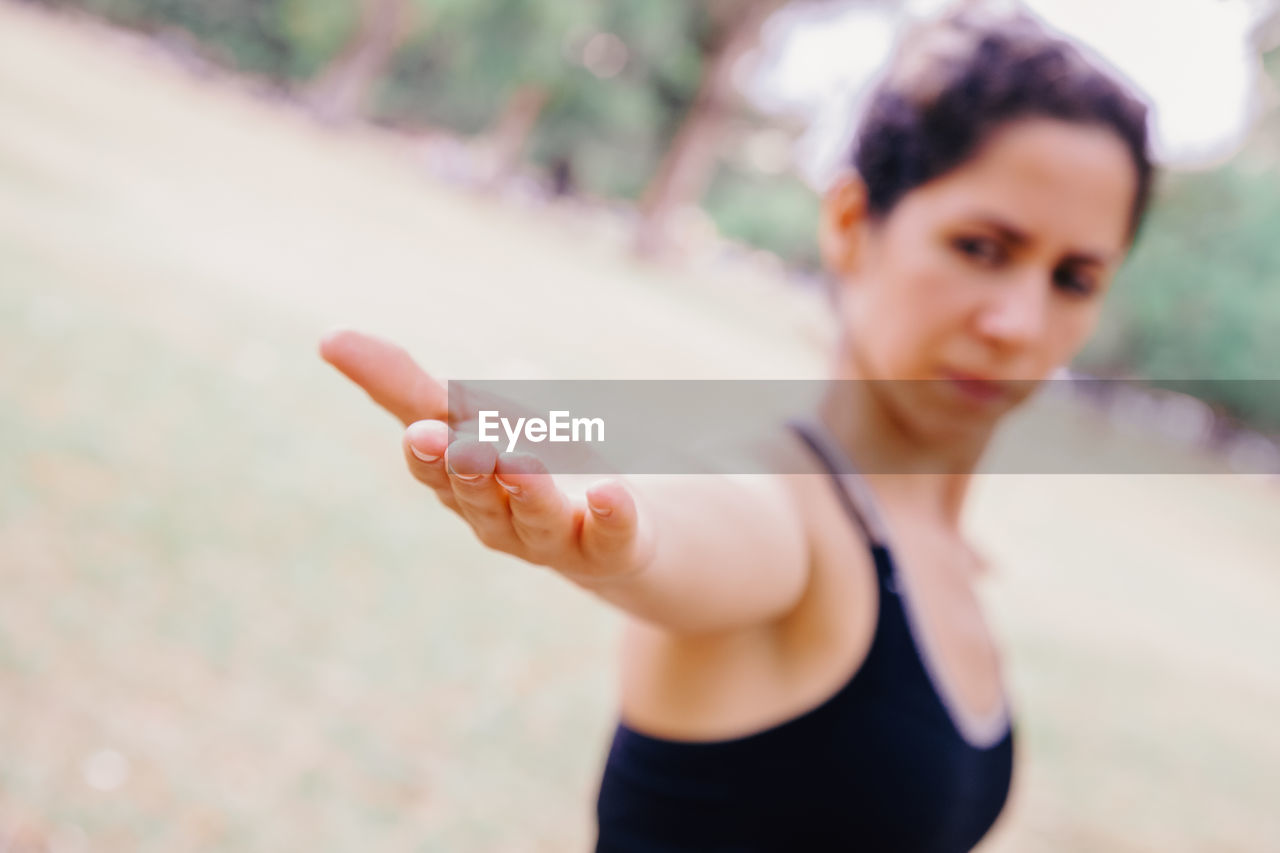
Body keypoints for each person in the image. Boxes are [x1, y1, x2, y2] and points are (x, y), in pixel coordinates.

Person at [319, 5, 1154, 850]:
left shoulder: (943, 548)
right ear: (849, 224)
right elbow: (703, 520)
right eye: (981, 247)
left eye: (1075, 278)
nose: (1019, 321)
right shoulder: (789, 506)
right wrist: (623, 526)